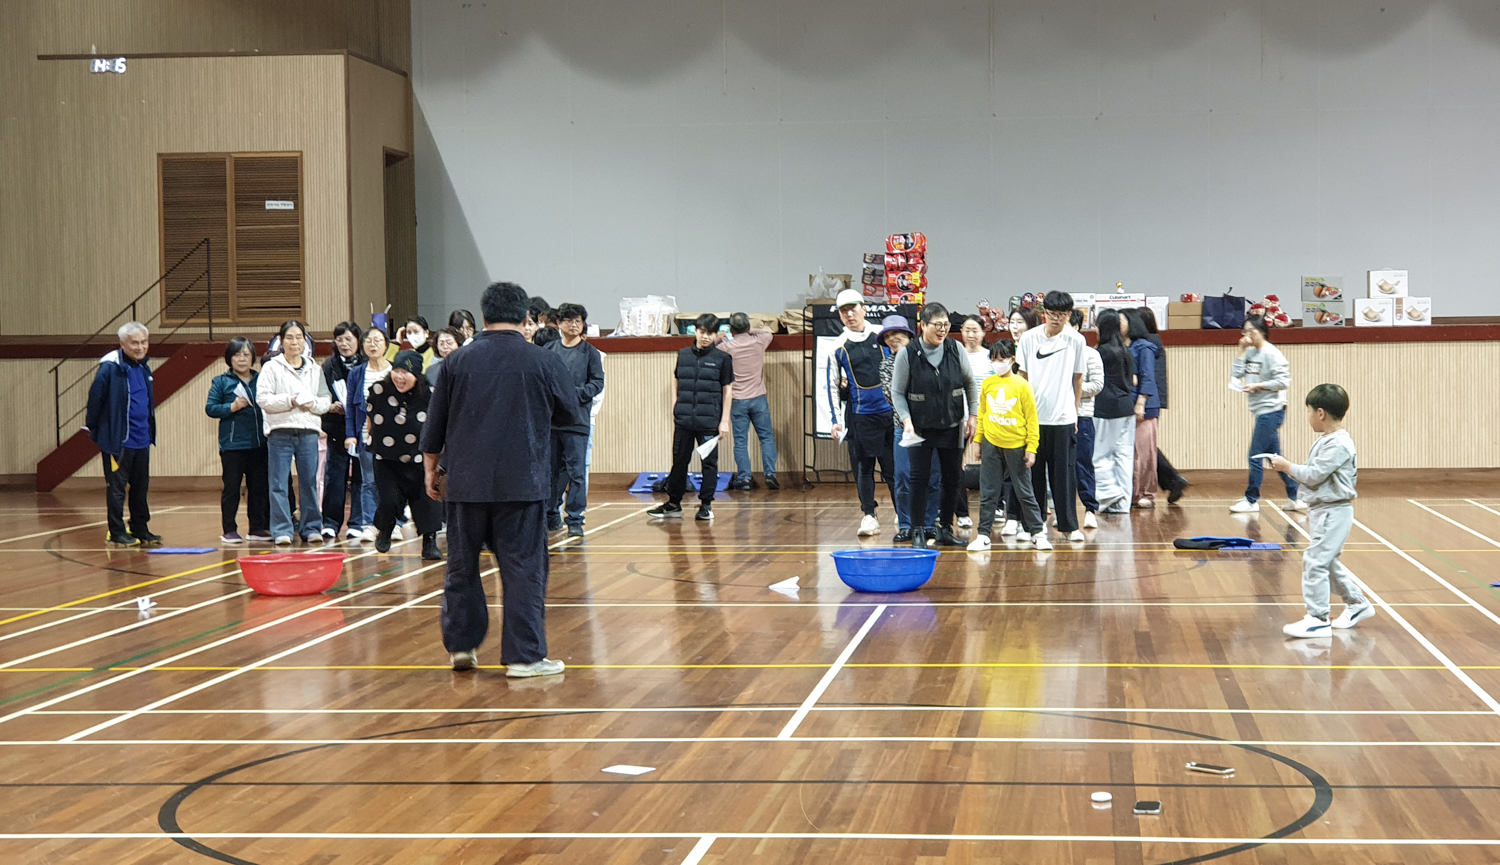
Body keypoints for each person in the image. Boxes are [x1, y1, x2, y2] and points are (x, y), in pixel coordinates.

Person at [420, 281, 583, 677]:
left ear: (483, 316)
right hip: (522, 483)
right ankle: (525, 657)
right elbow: (571, 414)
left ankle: (462, 647)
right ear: (526, 317)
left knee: (462, 565)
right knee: (524, 567)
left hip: (465, 482)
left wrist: (430, 470)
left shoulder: (456, 362)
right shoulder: (543, 361)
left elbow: (435, 425)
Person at [1271, 384, 1373, 638]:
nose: (1308, 417)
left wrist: (1287, 466)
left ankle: (1317, 618)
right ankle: (1357, 603)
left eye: (1309, 411)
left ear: (1320, 413)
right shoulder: (1328, 441)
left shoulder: (1339, 444)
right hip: (1322, 511)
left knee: (1315, 561)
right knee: (1327, 563)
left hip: (1333, 512)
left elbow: (1314, 475)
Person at [890, 302, 981, 548]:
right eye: (937, 325)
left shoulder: (955, 348)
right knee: (918, 478)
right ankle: (918, 530)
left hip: (952, 424)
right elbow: (897, 392)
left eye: (946, 325)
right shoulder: (908, 354)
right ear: (923, 325)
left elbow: (970, 383)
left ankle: (945, 528)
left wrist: (973, 416)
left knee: (952, 478)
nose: (943, 330)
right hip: (919, 427)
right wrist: (906, 420)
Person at [1016, 291, 1087, 543]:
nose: (1056, 319)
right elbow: (1022, 377)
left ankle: (1069, 526)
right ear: (1043, 312)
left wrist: (1075, 412)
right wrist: (1022, 414)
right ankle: (1033, 526)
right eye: (1052, 313)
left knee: (1064, 476)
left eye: (1062, 315)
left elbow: (1077, 378)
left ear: (1069, 315)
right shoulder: (1028, 338)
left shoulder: (1076, 340)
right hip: (1033, 418)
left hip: (1063, 418)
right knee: (1032, 475)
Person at [647, 313, 734, 521]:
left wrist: (724, 421)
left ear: (716, 335)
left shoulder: (723, 359)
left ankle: (706, 505)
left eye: (710, 333)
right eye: (702, 332)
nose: (706, 337)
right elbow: (676, 378)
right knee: (679, 461)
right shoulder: (683, 354)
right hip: (684, 420)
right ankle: (673, 504)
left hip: (709, 421)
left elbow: (728, 390)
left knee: (709, 465)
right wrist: (674, 404)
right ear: (695, 331)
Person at [826, 289, 895, 538]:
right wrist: (835, 421)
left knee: (893, 468)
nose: (849, 314)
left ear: (864, 309)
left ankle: (903, 514)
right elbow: (832, 385)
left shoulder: (883, 335)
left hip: (890, 415)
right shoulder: (837, 347)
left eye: (853, 308)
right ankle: (869, 515)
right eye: (843, 311)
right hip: (859, 417)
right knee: (864, 469)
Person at [85, 322, 160, 546]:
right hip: (118, 441)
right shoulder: (110, 368)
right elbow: (95, 400)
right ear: (122, 344)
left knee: (140, 488)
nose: (140, 347)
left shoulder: (144, 368)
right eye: (134, 343)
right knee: (117, 489)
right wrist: (98, 430)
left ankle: (140, 528)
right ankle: (116, 532)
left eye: (144, 342)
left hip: (142, 439)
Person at [967, 339, 1047, 551]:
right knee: (988, 492)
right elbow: (982, 414)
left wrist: (1031, 448)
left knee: (1024, 492)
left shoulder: (1022, 385)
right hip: (991, 445)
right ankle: (983, 535)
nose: (997, 363)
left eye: (1001, 359)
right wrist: (978, 442)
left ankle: (1037, 532)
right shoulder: (988, 384)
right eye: (993, 359)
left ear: (1012, 360)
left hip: (1017, 446)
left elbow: (1032, 419)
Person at [257, 320, 330, 545]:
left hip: (308, 432)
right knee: (278, 483)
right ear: (281, 341)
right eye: (289, 337)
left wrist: (311, 404)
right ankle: (282, 530)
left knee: (309, 482)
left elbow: (325, 401)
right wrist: (290, 400)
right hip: (280, 432)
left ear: (305, 341)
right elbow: (263, 399)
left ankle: (312, 528)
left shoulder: (315, 369)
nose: (294, 342)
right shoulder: (271, 367)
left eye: (299, 337)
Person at [367, 350, 443, 560]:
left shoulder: (430, 395)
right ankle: (386, 529)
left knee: (427, 502)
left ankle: (429, 542)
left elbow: (439, 425)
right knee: (389, 500)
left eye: (406, 373)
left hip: (420, 459)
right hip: (386, 459)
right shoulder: (378, 390)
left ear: (417, 375)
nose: (400, 377)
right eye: (397, 371)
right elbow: (370, 418)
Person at [1230, 315, 1301, 514]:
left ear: (1260, 331)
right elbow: (1236, 374)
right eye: (1244, 331)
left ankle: (1251, 499)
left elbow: (1283, 381)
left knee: (1255, 455)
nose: (1246, 335)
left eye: (1249, 331)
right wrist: (1241, 350)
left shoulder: (1272, 354)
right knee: (1274, 458)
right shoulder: (1251, 352)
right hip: (1260, 410)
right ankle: (1295, 496)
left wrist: (1258, 385)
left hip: (1272, 411)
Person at [877, 315, 938, 543]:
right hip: (901, 427)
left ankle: (930, 523)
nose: (892, 339)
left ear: (909, 336)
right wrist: (909, 418)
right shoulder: (886, 365)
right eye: (888, 336)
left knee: (933, 476)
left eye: (897, 334)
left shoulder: (925, 359)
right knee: (902, 476)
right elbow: (891, 396)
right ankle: (905, 524)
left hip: (931, 427)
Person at [546, 303, 605, 536]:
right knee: (552, 472)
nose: (573, 325)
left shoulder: (590, 352)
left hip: (578, 421)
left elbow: (597, 383)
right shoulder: (549, 350)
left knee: (576, 472)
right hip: (552, 421)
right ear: (559, 324)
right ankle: (550, 513)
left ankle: (575, 518)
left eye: (577, 321)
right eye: (568, 321)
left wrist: (575, 394)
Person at [206, 336, 269, 544]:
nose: (242, 359)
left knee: (258, 488)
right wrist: (231, 407)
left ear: (252, 357)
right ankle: (229, 530)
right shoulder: (221, 381)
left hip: (259, 444)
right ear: (229, 358)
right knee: (231, 488)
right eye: (237, 355)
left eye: (246, 354)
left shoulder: (262, 379)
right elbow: (211, 408)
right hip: (232, 445)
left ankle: (257, 528)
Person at [717, 312, 779, 491]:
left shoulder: (726, 347)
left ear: (731, 329)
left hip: (737, 400)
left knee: (740, 441)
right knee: (766, 437)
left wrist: (720, 337)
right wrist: (750, 331)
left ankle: (744, 478)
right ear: (748, 327)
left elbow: (712, 348)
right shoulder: (759, 342)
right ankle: (770, 474)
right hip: (759, 398)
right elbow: (768, 333)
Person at [320, 321, 367, 542]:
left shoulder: (366, 365)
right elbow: (321, 394)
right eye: (340, 340)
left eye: (349, 339)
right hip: (337, 428)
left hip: (362, 428)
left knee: (361, 477)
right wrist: (331, 405)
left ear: (358, 340)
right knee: (335, 477)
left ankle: (357, 522)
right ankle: (330, 522)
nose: (344, 344)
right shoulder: (329, 366)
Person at [346, 328, 394, 542]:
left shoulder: (394, 370)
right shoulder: (356, 373)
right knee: (368, 482)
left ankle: (394, 524)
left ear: (386, 344)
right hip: (367, 436)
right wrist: (351, 434)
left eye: (377, 340)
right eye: (368, 341)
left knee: (391, 483)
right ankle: (368, 524)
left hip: (393, 439)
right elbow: (350, 407)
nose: (372, 345)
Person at [1138, 307, 1189, 503]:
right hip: (1153, 400)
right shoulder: (1154, 342)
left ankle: (1170, 481)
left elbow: (1148, 377)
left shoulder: (1147, 345)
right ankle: (1172, 481)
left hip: (1147, 401)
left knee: (1145, 448)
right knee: (1146, 446)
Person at [1091, 309, 1137, 515]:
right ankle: (1123, 503)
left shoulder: (1101, 353)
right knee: (1124, 456)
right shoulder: (1126, 351)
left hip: (1106, 408)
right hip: (1126, 407)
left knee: (1098, 454)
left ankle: (1109, 492)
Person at [955, 315, 991, 530]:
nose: (971, 334)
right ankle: (961, 512)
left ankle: (996, 507)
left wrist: (978, 417)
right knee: (955, 465)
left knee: (992, 463)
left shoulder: (990, 357)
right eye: (967, 330)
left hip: (987, 417)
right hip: (959, 417)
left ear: (984, 332)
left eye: (975, 330)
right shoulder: (955, 355)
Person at [1125, 309, 1161, 508]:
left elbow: (1147, 377)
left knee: (1145, 452)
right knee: (1130, 452)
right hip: (1126, 404)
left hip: (1145, 406)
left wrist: (1141, 402)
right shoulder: (1123, 345)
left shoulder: (1144, 347)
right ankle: (1132, 492)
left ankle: (1147, 493)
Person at [1072, 310, 1104, 529]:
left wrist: (1074, 390)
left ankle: (1090, 509)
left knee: (1083, 464)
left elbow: (1098, 385)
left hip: (1082, 416)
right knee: (1059, 467)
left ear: (1076, 327)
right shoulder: (1054, 353)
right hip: (1057, 417)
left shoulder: (1091, 354)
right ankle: (1063, 511)